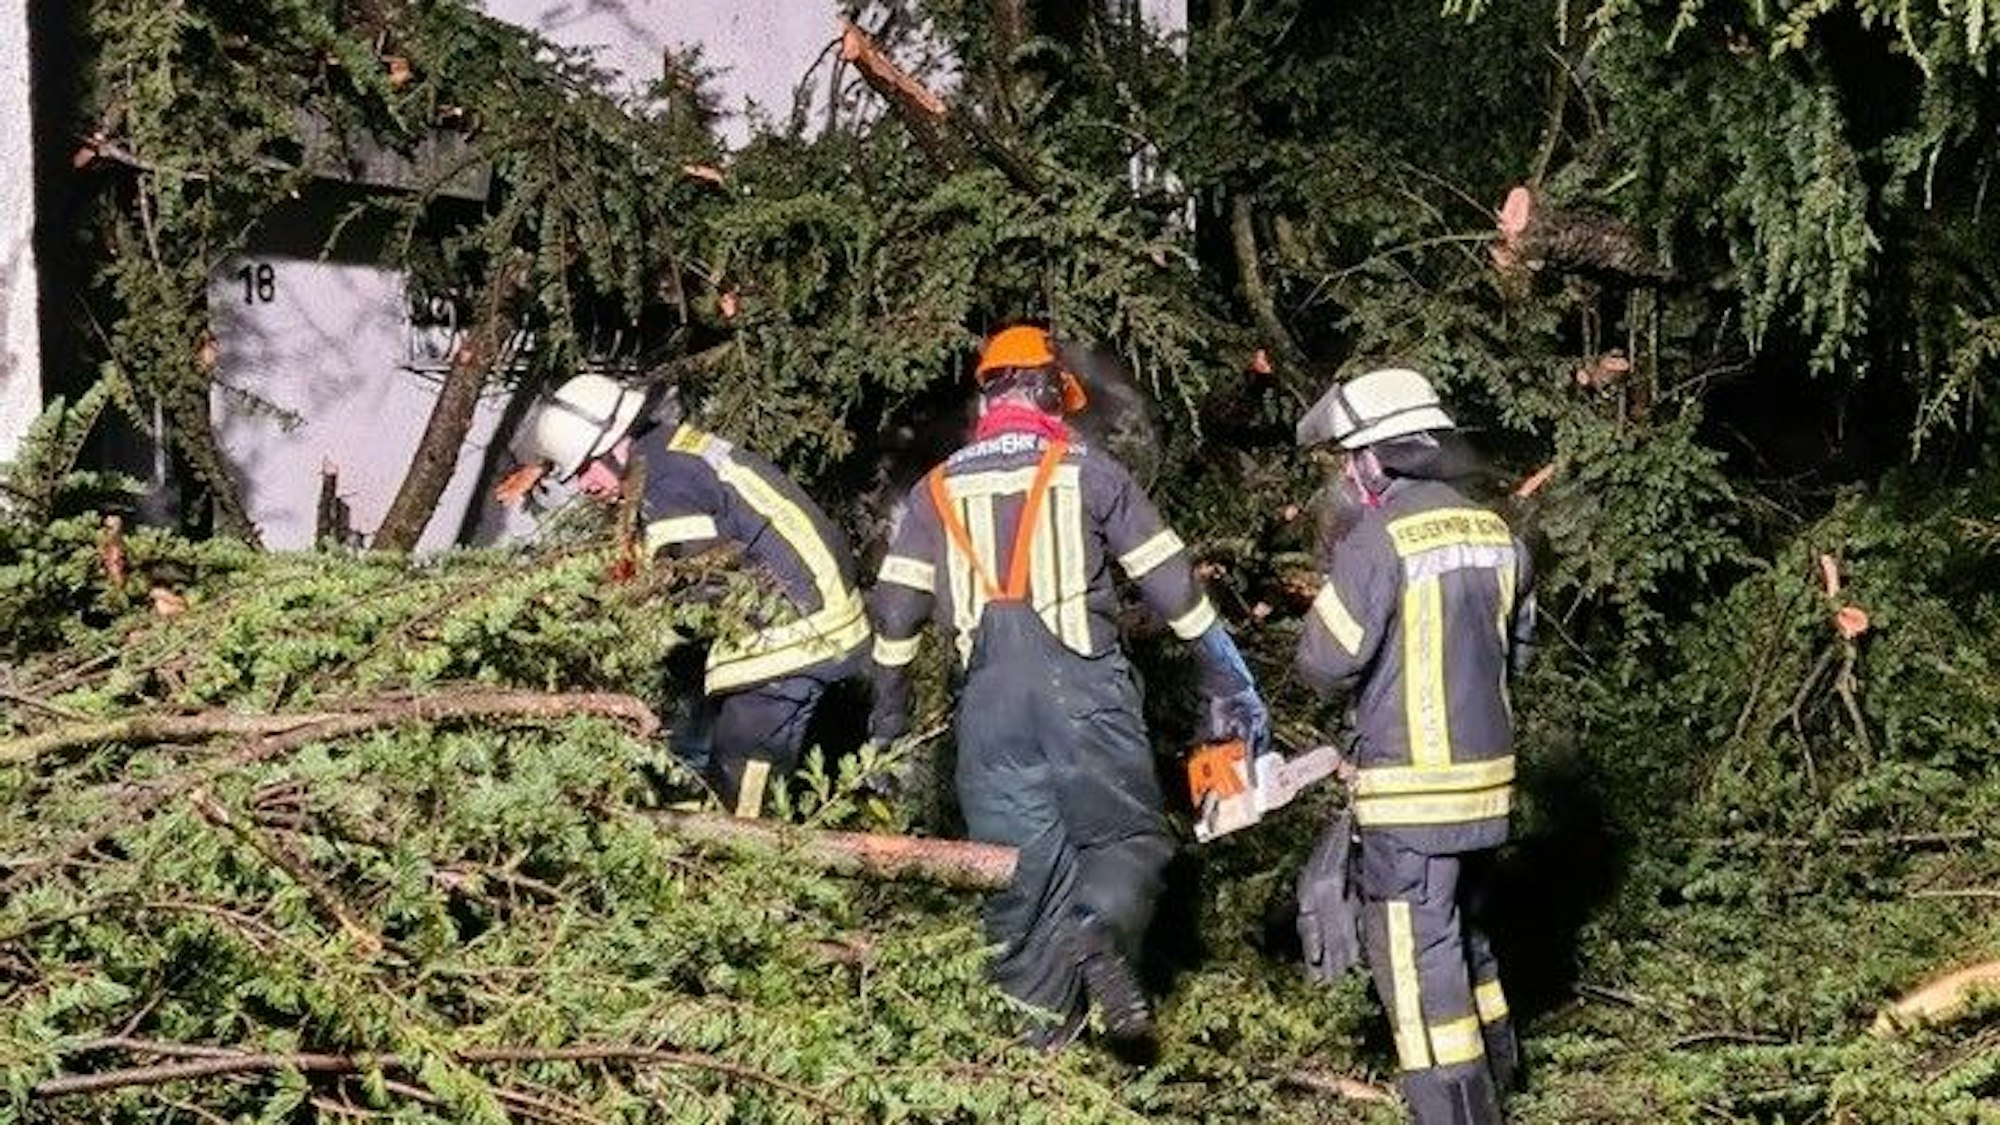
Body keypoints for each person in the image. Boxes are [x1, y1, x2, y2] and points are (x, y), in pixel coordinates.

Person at [866, 324, 1270, 1049]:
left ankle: (1036, 1072)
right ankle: (1099, 927)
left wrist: (887, 727)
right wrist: (1226, 673)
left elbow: (895, 618)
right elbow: (1172, 584)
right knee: (1128, 840)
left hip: (988, 718)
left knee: (1022, 902)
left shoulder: (934, 492)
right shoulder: (1089, 469)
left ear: (988, 397)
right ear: (1051, 391)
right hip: (1084, 695)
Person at [1291, 366, 1535, 1124]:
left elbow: (1323, 662)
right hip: (1488, 790)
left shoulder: (1376, 541)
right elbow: (1519, 655)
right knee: (1468, 930)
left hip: (1411, 800)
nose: (1346, 473)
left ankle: (1455, 1111)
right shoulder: (1497, 532)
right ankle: (1505, 1073)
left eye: (1349, 457)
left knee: (1414, 956)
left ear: (1376, 457)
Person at [504, 374, 871, 817]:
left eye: (584, 469)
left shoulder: (666, 485)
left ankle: (744, 867)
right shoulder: (669, 453)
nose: (583, 485)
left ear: (615, 445)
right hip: (811, 615)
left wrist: (631, 630)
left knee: (743, 781)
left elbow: (696, 586)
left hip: (793, 636)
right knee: (712, 752)